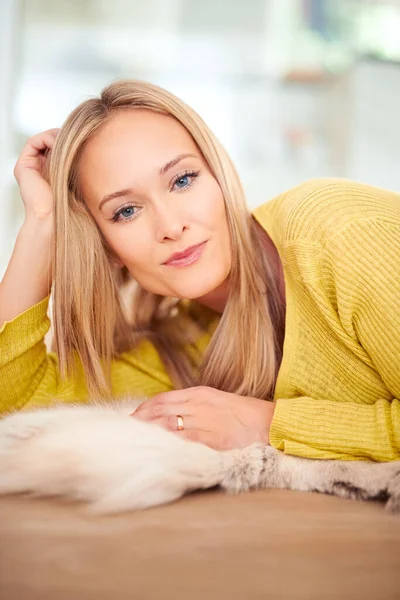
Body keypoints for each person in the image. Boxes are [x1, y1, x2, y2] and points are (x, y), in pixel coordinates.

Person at [0, 80, 399, 461]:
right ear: (107, 247)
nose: (171, 227)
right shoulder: (184, 346)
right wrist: (42, 221)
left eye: (183, 180)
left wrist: (266, 424)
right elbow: (19, 406)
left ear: (220, 176)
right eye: (126, 211)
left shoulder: (335, 232)